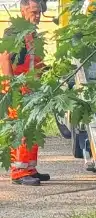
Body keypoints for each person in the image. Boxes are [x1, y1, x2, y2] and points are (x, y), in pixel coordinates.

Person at [1, 0, 49, 186]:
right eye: (34, 12)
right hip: (19, 88)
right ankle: (19, 172)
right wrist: (11, 85)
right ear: (23, 10)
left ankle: (30, 168)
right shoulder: (14, 31)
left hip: (32, 87)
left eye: (39, 12)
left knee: (33, 129)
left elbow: (33, 61)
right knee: (21, 129)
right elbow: (4, 58)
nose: (38, 16)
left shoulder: (32, 33)